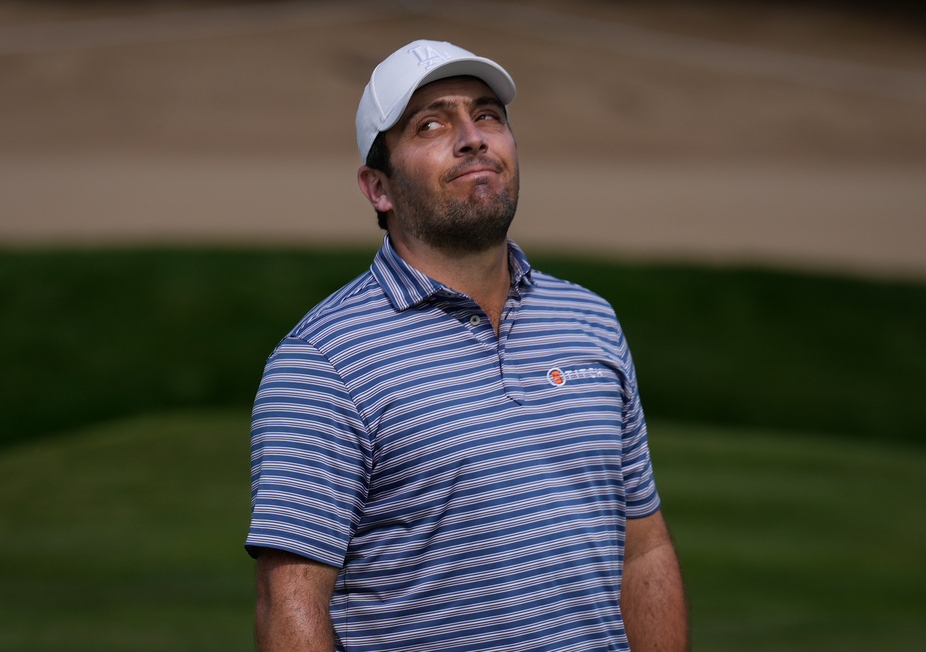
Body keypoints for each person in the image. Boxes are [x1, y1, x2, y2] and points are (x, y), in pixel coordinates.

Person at [247, 39, 689, 651]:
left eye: (487, 116)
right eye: (431, 124)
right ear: (379, 188)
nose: (473, 137)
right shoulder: (322, 360)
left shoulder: (589, 320)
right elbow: (290, 603)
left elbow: (644, 548)